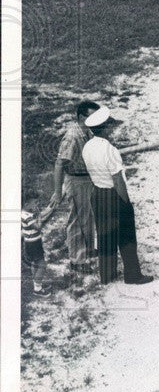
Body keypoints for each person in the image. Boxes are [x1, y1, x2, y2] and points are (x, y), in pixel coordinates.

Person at [81, 106, 154, 285]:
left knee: (105, 235)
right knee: (127, 236)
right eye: (110, 126)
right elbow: (118, 180)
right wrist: (126, 202)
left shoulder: (87, 147)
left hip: (97, 194)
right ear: (105, 128)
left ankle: (107, 274)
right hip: (114, 195)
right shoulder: (109, 149)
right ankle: (132, 275)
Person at [47, 99, 99, 272]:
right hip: (76, 181)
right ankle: (77, 261)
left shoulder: (88, 132)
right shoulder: (72, 136)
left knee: (88, 217)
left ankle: (89, 250)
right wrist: (57, 191)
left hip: (87, 179)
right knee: (77, 220)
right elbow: (59, 164)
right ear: (81, 117)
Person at [21, 204, 55, 296]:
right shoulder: (26, 216)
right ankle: (37, 289)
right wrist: (39, 217)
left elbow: (38, 215)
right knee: (42, 265)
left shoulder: (26, 213)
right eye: (35, 202)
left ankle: (36, 283)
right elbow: (38, 227)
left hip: (30, 243)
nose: (37, 204)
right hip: (33, 244)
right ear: (27, 202)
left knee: (34, 263)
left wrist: (48, 209)